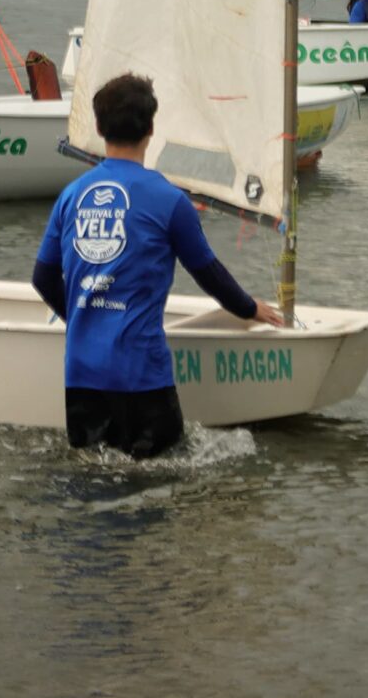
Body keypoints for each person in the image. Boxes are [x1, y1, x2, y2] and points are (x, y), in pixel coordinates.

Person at [31, 74, 285, 458]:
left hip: (82, 374)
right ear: (151, 129)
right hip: (140, 375)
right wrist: (250, 308)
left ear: (98, 128)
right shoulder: (169, 200)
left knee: (92, 480)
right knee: (158, 486)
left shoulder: (71, 196)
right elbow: (207, 273)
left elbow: (43, 277)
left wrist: (81, 317)